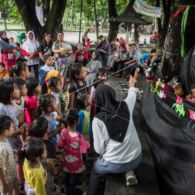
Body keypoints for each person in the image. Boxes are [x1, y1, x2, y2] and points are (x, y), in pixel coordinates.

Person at [87, 68, 142, 195]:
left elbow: (99, 150)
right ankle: (129, 172)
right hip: (137, 158)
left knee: (96, 170)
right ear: (113, 94)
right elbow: (132, 92)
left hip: (115, 164)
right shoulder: (126, 105)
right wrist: (132, 81)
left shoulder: (98, 120)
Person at [57, 108, 90, 195]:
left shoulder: (63, 132)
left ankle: (67, 190)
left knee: (67, 178)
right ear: (76, 121)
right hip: (75, 164)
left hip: (66, 161)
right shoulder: (79, 136)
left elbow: (60, 145)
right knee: (72, 180)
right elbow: (85, 150)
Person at [29, 117, 57, 195]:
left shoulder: (30, 142)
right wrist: (54, 170)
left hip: (32, 174)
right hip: (45, 174)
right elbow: (50, 161)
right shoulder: (51, 145)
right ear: (47, 129)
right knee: (46, 190)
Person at [0, 115, 19, 195]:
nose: (14, 128)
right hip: (7, 179)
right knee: (9, 192)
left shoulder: (4, 139)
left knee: (16, 188)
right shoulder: (1, 149)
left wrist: (13, 151)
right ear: (6, 131)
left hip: (12, 173)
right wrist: (4, 184)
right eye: (12, 126)